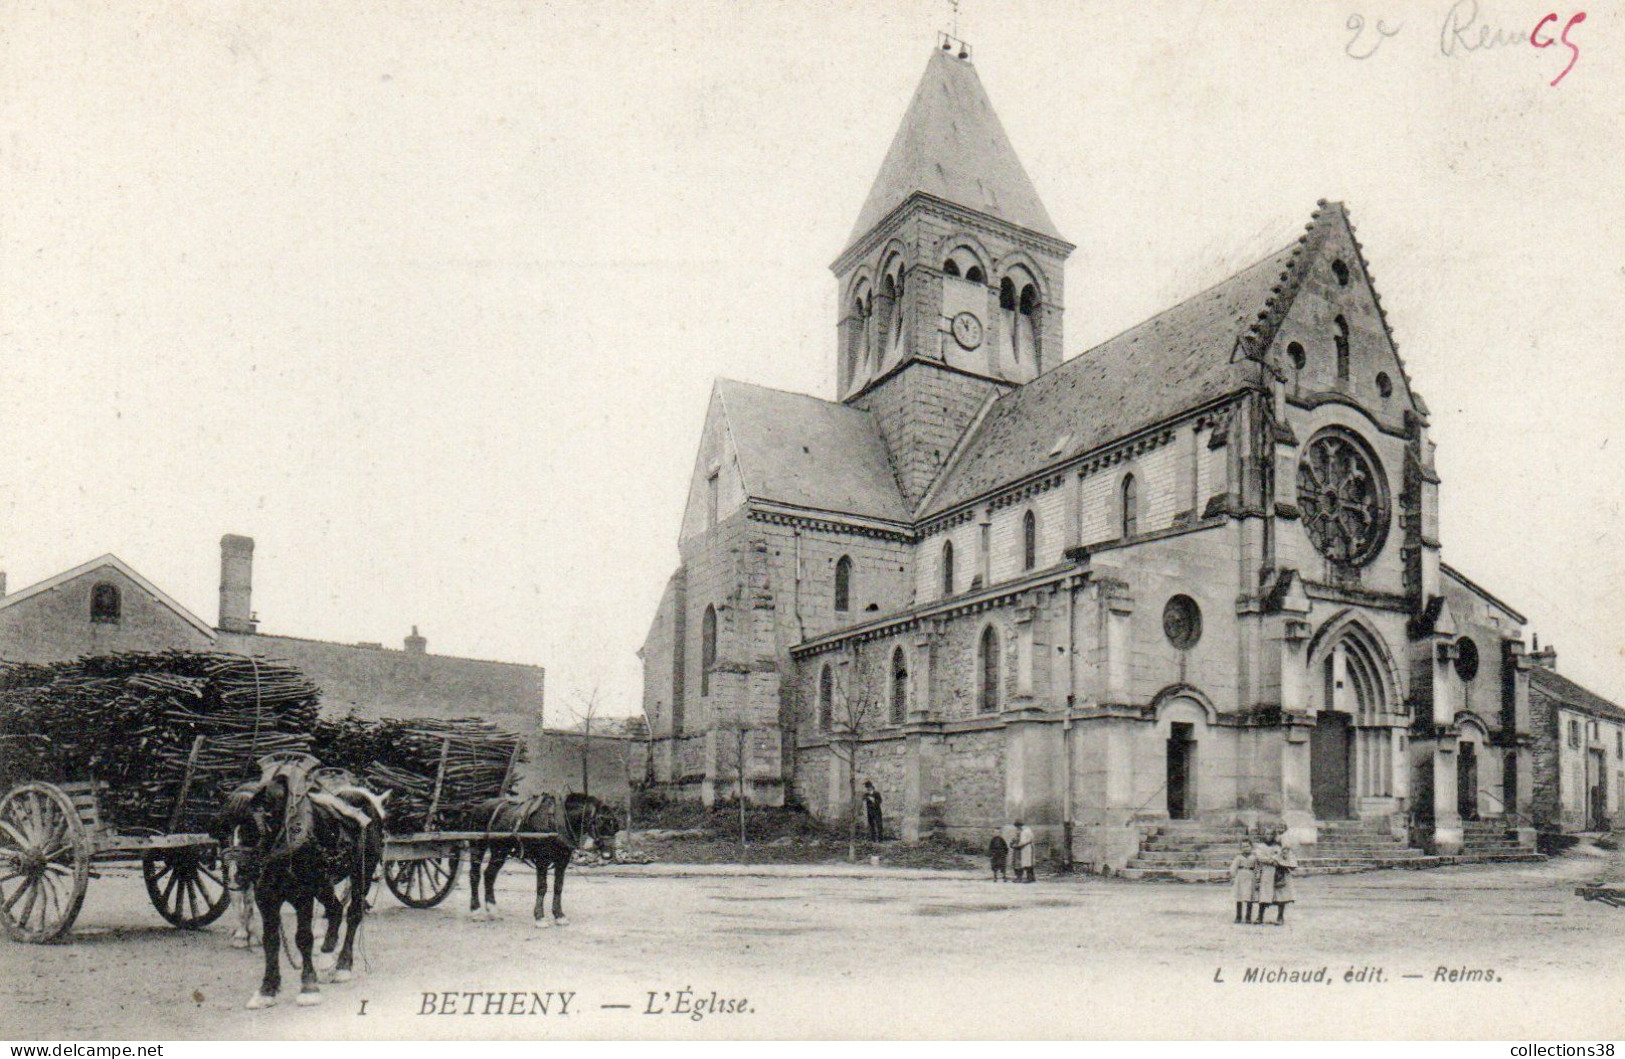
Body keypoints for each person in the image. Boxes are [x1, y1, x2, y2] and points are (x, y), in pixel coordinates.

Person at [1250, 831, 1279, 923]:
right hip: (1265, 872)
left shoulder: (1277, 846)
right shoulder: (1260, 846)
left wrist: (1275, 859)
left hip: (1276, 871)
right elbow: (1260, 856)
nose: (1269, 836)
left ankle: (1279, 917)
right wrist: (1271, 860)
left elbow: (1279, 856)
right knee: (1264, 894)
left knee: (1278, 893)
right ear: (1263, 835)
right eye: (1267, 834)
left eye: (1271, 834)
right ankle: (1260, 916)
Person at [1228, 837, 1257, 924]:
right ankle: (1238, 916)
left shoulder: (1254, 857)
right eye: (1243, 847)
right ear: (1241, 848)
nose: (1246, 848)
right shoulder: (1238, 858)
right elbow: (1233, 868)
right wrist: (1233, 876)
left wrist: (1257, 876)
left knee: (1249, 898)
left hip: (1250, 877)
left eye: (1247, 846)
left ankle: (1248, 917)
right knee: (1239, 897)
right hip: (1240, 877)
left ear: (1251, 847)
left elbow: (1257, 868)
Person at [1271, 835, 1298, 925]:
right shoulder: (1272, 849)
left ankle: (1280, 916)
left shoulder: (1287, 851)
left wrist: (1283, 862)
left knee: (1282, 896)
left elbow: (1293, 865)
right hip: (1273, 873)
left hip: (1284, 874)